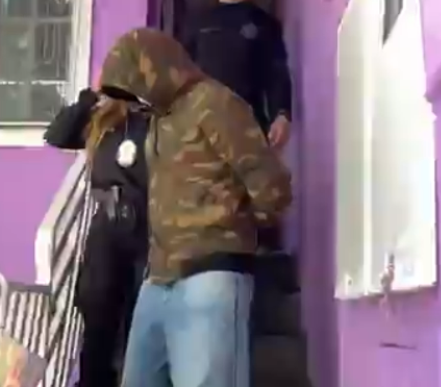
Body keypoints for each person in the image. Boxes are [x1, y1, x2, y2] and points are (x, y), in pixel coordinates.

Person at [98, 28, 293, 387]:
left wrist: (233, 226)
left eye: (136, 86)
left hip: (211, 276)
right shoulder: (158, 120)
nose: (136, 101)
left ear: (158, 67)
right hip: (158, 279)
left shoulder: (215, 102)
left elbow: (271, 185)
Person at [43, 80, 149, 387]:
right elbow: (57, 134)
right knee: (98, 313)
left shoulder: (153, 121)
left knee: (138, 319)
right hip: (107, 229)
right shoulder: (101, 121)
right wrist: (91, 97)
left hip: (146, 229)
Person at [182, 0, 292, 151]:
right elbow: (180, 71)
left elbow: (277, 73)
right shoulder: (196, 23)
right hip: (201, 125)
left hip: (249, 123)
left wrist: (282, 114)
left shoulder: (265, 24)